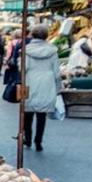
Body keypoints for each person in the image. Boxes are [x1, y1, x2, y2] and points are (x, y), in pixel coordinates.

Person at [21, 24, 61, 152]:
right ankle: (38, 141)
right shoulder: (52, 51)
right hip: (47, 82)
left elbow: (23, 68)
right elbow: (56, 72)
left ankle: (27, 139)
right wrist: (58, 88)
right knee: (41, 114)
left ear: (32, 35)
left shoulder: (26, 50)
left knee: (27, 112)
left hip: (30, 81)